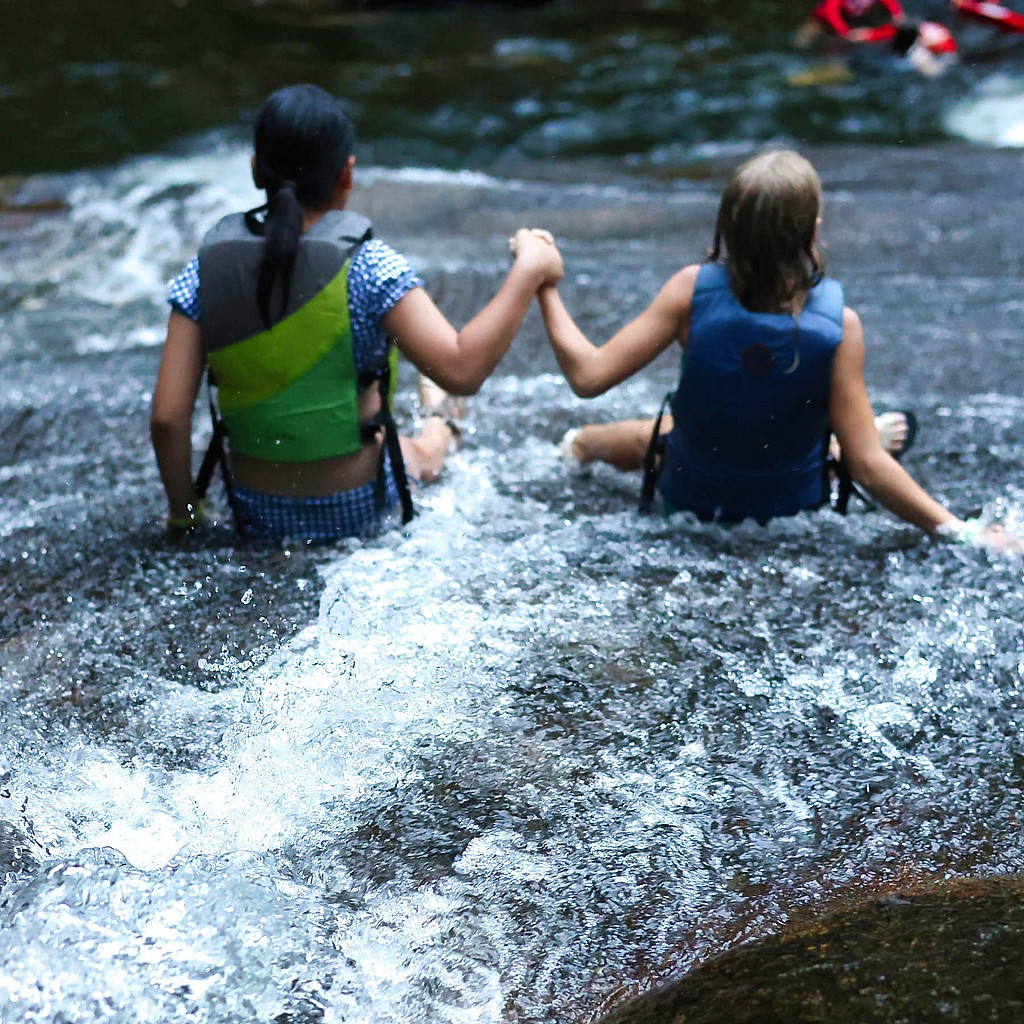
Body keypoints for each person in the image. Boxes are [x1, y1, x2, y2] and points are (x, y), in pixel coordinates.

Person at [532, 148, 1009, 549]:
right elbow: (872, 467)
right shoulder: (840, 327)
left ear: (726, 226)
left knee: (661, 435)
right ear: (813, 232)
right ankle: (839, 446)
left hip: (689, 500)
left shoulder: (688, 293)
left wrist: (543, 284)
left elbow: (588, 376)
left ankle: (578, 445)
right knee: (845, 444)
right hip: (789, 507)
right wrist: (964, 533)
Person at [151, 84, 562, 543]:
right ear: (346, 175)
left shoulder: (204, 273)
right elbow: (462, 368)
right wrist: (528, 269)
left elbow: (168, 418)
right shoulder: (368, 266)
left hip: (255, 510)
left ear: (254, 170)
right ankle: (440, 424)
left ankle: (437, 421)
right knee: (425, 449)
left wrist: (185, 515)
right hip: (359, 507)